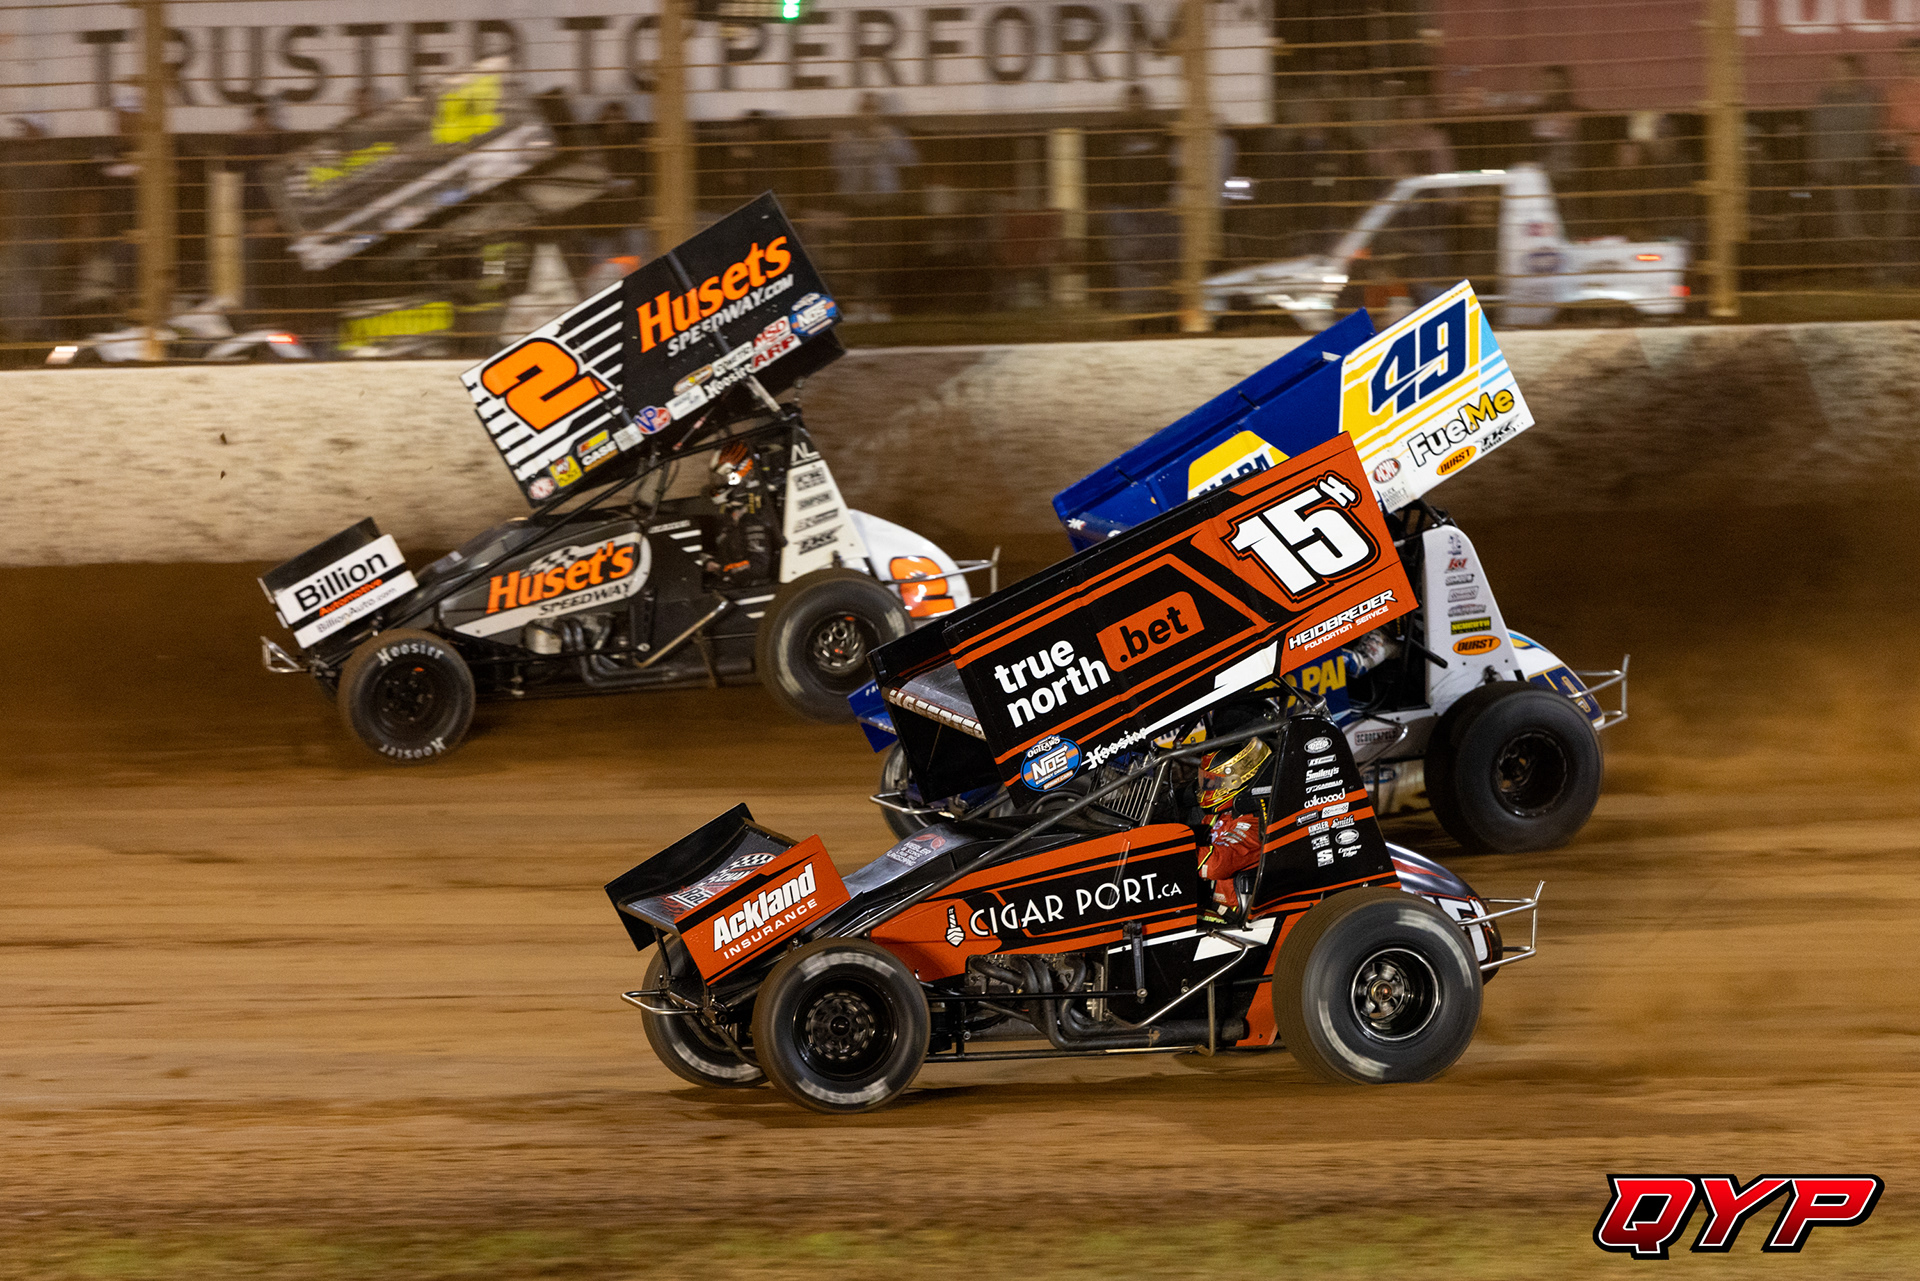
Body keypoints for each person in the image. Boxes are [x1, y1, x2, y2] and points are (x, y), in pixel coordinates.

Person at [1087, 83, 1178, 318]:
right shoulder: (1113, 133)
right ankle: (1134, 306)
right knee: (1127, 252)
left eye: (1140, 102)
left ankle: (1155, 304)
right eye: (1132, 102)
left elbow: (1170, 167)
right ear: (1125, 105)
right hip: (1122, 204)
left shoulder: (1160, 133)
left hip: (1154, 204)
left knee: (1155, 253)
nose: (1136, 106)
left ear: (1147, 104)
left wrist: (1167, 195)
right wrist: (1105, 202)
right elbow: (1103, 169)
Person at [829, 92, 918, 322]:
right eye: (864, 109)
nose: (868, 115)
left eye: (873, 109)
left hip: (884, 200)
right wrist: (845, 148)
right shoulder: (846, 137)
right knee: (857, 253)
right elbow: (836, 167)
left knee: (883, 253)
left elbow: (910, 160)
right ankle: (858, 305)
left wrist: (888, 139)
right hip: (855, 201)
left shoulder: (890, 134)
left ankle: (881, 305)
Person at [1810, 54, 1882, 264]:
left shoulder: (1868, 97)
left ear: (1855, 73)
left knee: (1844, 189)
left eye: (1842, 71)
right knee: (1828, 192)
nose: (1837, 76)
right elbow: (1817, 134)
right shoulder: (1824, 98)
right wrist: (1818, 167)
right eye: (1834, 71)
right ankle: (1854, 242)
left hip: (1860, 162)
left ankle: (1855, 241)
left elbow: (1872, 133)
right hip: (1831, 164)